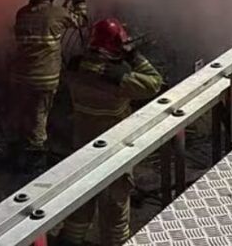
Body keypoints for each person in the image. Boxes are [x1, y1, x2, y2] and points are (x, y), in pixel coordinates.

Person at [58, 18, 163, 246]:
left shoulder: (75, 67)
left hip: (82, 148)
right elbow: (155, 82)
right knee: (115, 209)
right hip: (114, 151)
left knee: (79, 203)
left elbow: (87, 67)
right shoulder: (118, 80)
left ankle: (70, 241)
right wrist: (133, 57)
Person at [8, 0, 88, 172]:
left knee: (23, 113)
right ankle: (34, 161)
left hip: (20, 77)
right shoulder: (57, 14)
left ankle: (17, 147)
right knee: (39, 115)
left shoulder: (21, 13)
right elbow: (81, 21)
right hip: (44, 79)